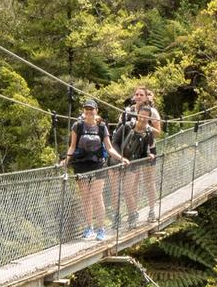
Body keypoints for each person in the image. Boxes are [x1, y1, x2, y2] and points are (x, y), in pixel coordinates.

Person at [62, 99, 127, 240]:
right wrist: (66, 160)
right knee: (85, 198)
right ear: (83, 111)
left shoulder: (102, 127)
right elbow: (72, 146)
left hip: (98, 164)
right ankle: (89, 228)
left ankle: (101, 229)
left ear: (96, 110)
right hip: (81, 164)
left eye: (91, 109)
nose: (89, 112)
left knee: (97, 196)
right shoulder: (77, 126)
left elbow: (109, 147)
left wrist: (121, 158)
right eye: (86, 109)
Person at [110, 86, 162, 224]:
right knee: (133, 184)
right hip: (131, 152)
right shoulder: (127, 111)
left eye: (141, 95)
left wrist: (146, 127)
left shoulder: (153, 112)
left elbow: (158, 132)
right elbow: (120, 129)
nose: (138, 97)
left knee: (149, 181)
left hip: (148, 148)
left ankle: (152, 210)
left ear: (146, 97)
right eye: (137, 94)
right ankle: (134, 211)